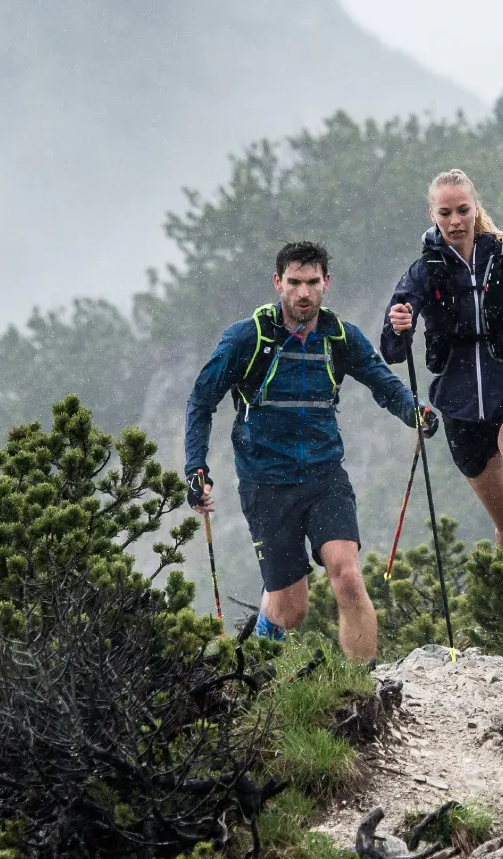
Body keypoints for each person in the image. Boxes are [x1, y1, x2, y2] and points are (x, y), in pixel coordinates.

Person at [185, 240, 437, 664]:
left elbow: (382, 382)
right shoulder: (248, 338)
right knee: (290, 610)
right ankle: (253, 671)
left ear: (326, 284)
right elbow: (200, 401)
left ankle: (365, 687)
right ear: (277, 284)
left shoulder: (339, 337)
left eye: (312, 282)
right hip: (266, 485)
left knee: (348, 576)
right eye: (294, 282)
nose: (303, 293)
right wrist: (196, 467)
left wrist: (414, 412)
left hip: (324, 477)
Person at [381, 168, 503, 637]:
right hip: (460, 410)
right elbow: (391, 350)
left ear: (475, 209)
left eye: (463, 210)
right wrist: (399, 324)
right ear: (433, 215)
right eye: (445, 212)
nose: (455, 220)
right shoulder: (423, 271)